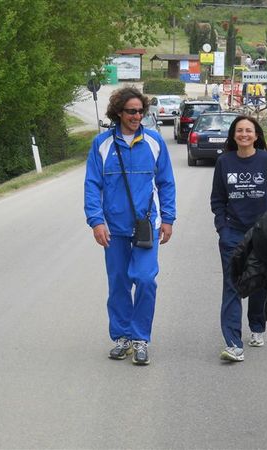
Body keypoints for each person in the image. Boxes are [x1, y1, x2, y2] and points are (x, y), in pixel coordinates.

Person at [84, 86, 176, 366]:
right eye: (131, 111)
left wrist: (169, 218)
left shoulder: (154, 142)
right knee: (119, 284)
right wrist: (96, 220)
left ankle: (140, 339)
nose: (137, 116)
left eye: (140, 111)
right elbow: (92, 185)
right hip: (114, 229)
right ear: (118, 112)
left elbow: (166, 183)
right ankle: (122, 337)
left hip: (146, 226)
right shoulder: (102, 144)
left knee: (146, 280)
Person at [211, 115, 267, 362]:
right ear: (234, 135)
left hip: (263, 234)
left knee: (258, 282)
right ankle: (233, 343)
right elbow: (218, 199)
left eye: (249, 131)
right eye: (240, 131)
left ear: (256, 135)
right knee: (233, 284)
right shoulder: (224, 162)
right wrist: (222, 227)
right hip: (233, 233)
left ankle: (257, 326)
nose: (244, 134)